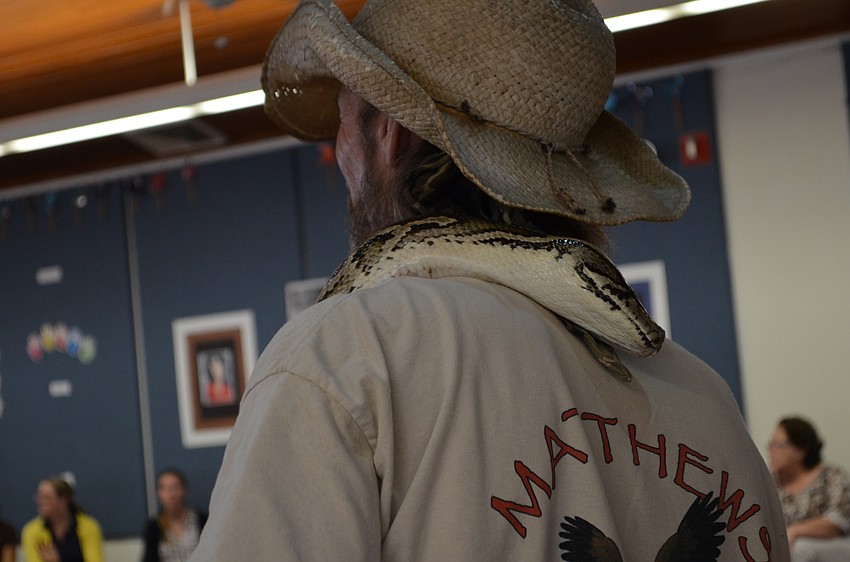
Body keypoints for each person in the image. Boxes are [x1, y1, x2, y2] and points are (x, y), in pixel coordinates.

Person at [191, 0, 791, 559]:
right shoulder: (706, 398)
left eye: (345, 124)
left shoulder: (346, 356)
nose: (339, 155)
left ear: (389, 134)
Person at [770, 416, 850, 561]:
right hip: (788, 547)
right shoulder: (772, 484)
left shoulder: (831, 477)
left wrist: (795, 531)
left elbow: (838, 522)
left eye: (778, 445)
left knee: (801, 548)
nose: (772, 450)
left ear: (800, 451)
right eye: (771, 444)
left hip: (833, 545)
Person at [22, 477, 103, 562]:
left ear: (64, 500)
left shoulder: (88, 526)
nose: (40, 502)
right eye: (39, 497)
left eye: (46, 497)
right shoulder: (32, 531)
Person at [141, 468, 208, 562]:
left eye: (175, 487)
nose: (170, 494)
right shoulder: (154, 526)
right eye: (164, 488)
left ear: (184, 491)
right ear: (158, 494)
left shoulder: (200, 519)